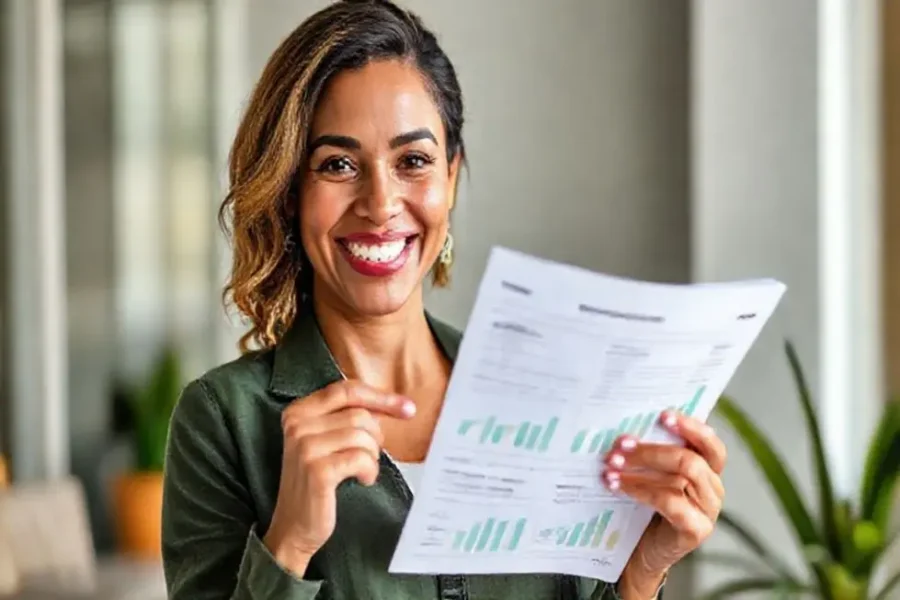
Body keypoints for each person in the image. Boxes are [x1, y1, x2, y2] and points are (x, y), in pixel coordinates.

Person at [161, 1, 727, 598]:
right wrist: (291, 545)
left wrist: (641, 571)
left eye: (413, 161)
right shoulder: (222, 423)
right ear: (289, 189)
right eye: (338, 164)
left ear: (450, 176)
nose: (380, 204)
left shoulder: (544, 397)